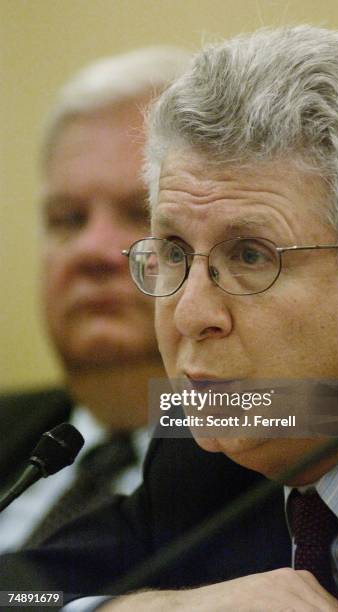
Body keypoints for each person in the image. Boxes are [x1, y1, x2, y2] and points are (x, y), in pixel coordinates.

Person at [1, 24, 338, 612]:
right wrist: (154, 609)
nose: (189, 313)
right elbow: (18, 589)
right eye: (175, 253)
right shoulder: (206, 454)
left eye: (249, 256)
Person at [0, 46, 190, 551]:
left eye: (139, 213)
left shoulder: (286, 440)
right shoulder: (13, 428)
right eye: (68, 219)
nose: (91, 250)